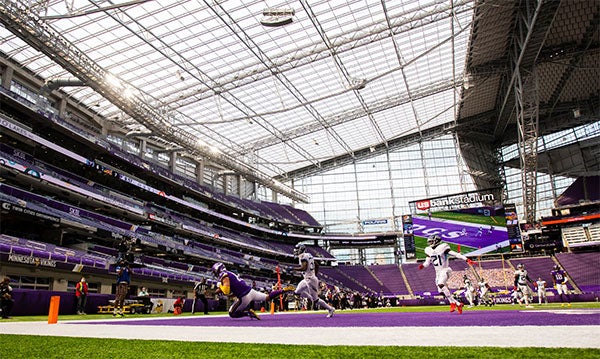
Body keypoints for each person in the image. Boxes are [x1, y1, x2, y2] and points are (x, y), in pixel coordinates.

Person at [211, 262, 293, 320]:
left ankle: (248, 313)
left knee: (231, 313)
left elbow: (226, 291)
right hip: (250, 291)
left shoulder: (223, 275)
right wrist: (216, 291)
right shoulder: (229, 273)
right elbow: (228, 289)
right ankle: (283, 290)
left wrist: (219, 285)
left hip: (244, 297)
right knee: (267, 297)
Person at [418, 234, 475, 314]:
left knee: (441, 284)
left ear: (436, 241)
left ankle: (452, 303)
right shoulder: (428, 250)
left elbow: (455, 254)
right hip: (437, 272)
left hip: (445, 270)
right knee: (441, 291)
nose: (430, 243)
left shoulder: (443, 247)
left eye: (431, 241)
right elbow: (427, 263)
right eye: (429, 242)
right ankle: (458, 304)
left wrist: (466, 259)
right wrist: (422, 265)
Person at [292, 243, 335, 318]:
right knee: (296, 292)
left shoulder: (303, 256)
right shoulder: (309, 255)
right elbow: (317, 265)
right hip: (308, 278)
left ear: (301, 249)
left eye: (297, 249)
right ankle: (310, 297)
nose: (296, 251)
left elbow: (304, 268)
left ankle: (330, 309)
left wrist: (293, 269)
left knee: (316, 300)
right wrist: (314, 274)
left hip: (310, 279)